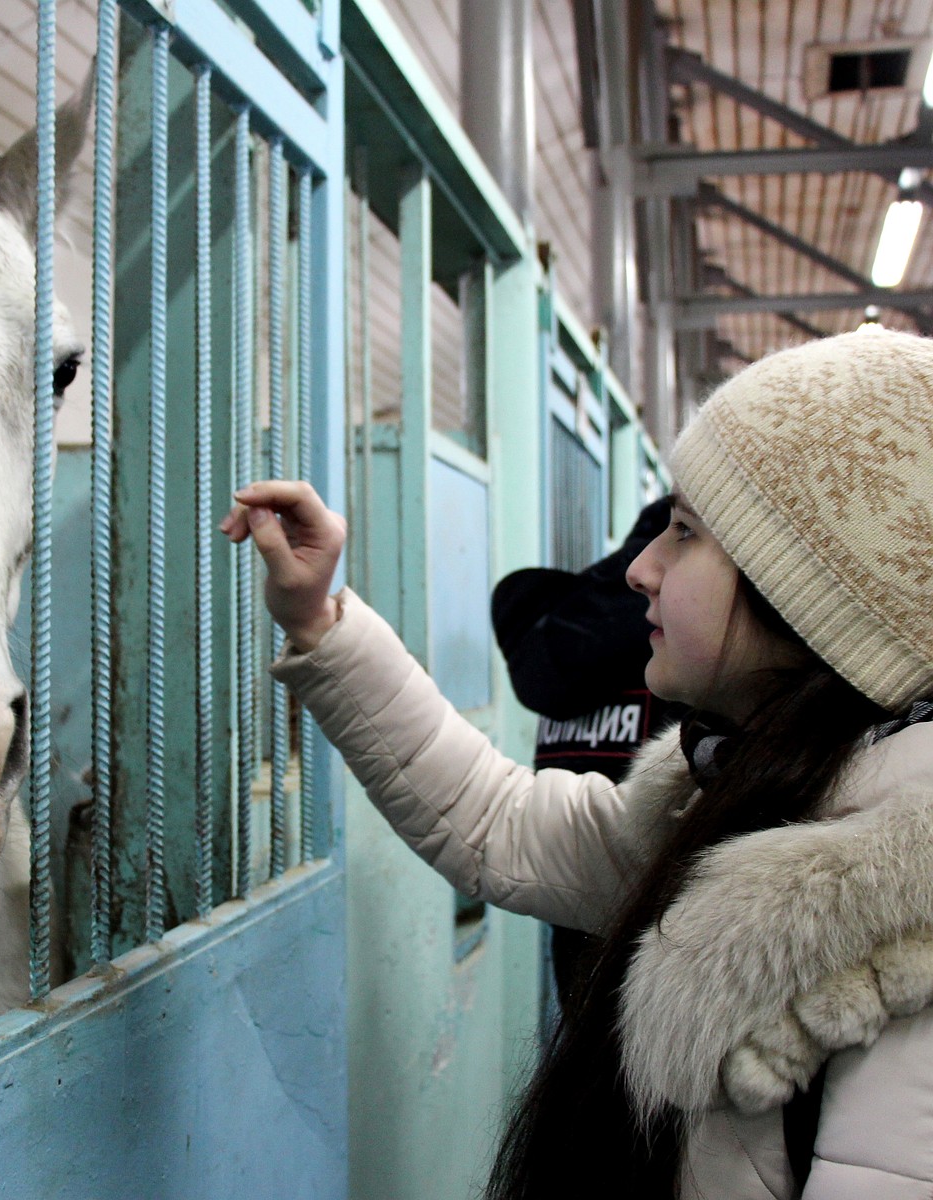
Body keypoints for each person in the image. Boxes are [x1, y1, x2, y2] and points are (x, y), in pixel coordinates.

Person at [219, 326, 933, 1198]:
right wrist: (319, 619)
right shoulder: (744, 802)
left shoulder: (901, 944)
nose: (639, 569)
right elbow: (496, 823)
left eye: (682, 533)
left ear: (806, 588)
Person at [491, 497, 683, 1018]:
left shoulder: (562, 630)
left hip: (578, 960)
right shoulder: (677, 650)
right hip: (676, 974)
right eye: (684, 529)